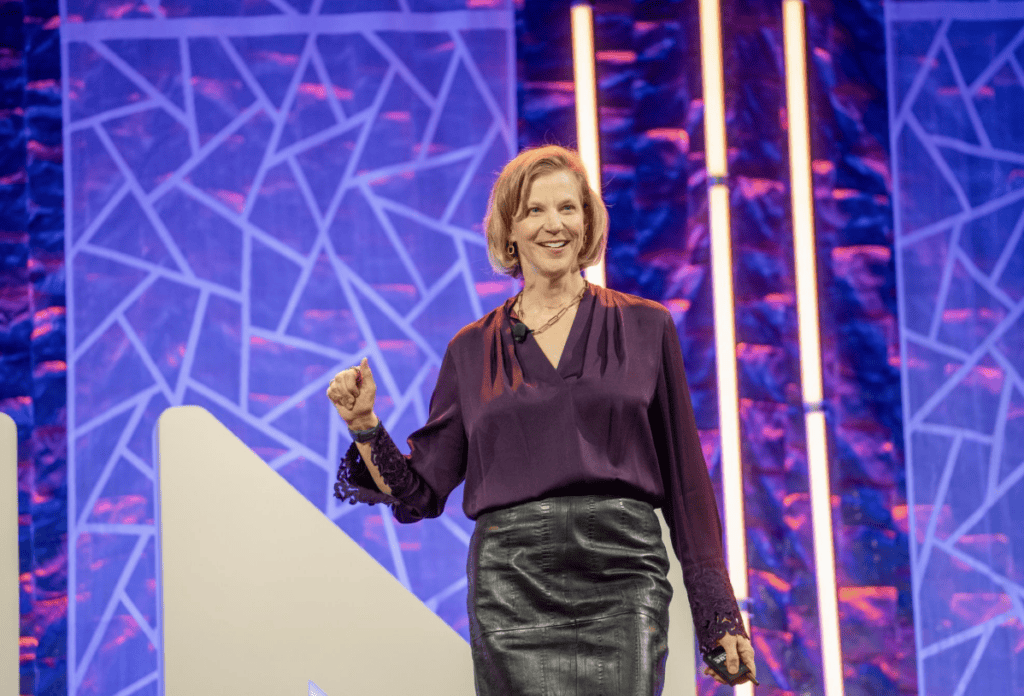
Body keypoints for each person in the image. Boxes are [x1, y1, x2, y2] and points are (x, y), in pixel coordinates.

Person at [327, 145, 756, 694]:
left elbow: (687, 484)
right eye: (534, 211)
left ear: (588, 222)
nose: (554, 225)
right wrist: (364, 424)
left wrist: (717, 613)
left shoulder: (648, 327)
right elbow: (421, 491)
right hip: (512, 588)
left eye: (568, 209)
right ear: (509, 230)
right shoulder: (471, 349)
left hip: (624, 582)